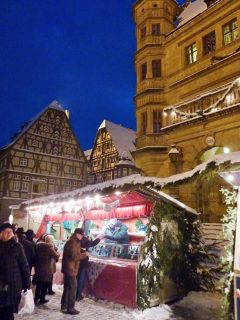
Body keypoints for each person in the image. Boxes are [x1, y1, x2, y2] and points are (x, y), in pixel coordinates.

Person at [0, 222, 31, 320]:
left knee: (7, 313)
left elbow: (24, 266)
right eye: (6, 231)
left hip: (12, 286)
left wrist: (27, 284)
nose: (9, 233)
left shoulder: (17, 246)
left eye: (11, 231)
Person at [61, 228, 88, 315]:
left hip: (70, 268)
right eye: (81, 235)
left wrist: (81, 251)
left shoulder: (75, 241)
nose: (82, 236)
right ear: (77, 234)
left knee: (68, 288)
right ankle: (70, 308)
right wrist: (84, 255)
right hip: (70, 269)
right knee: (73, 288)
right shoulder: (72, 242)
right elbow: (74, 256)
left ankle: (64, 306)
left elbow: (74, 252)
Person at [34, 234, 59, 305]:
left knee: (39, 284)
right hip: (46, 269)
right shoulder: (50, 248)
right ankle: (42, 299)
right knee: (45, 284)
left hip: (39, 268)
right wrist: (57, 252)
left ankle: (36, 298)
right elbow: (56, 256)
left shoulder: (38, 246)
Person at [76, 229, 100, 301]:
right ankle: (78, 295)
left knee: (76, 279)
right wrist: (99, 239)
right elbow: (91, 244)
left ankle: (74, 294)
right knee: (81, 279)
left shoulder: (74, 240)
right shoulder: (84, 240)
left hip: (76, 263)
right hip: (82, 262)